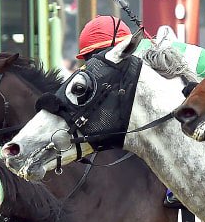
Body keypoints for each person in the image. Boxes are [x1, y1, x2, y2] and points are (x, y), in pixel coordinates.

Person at [76, 15, 185, 208]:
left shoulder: (143, 62)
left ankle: (179, 187)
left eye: (92, 60)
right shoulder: (134, 56)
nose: (91, 67)